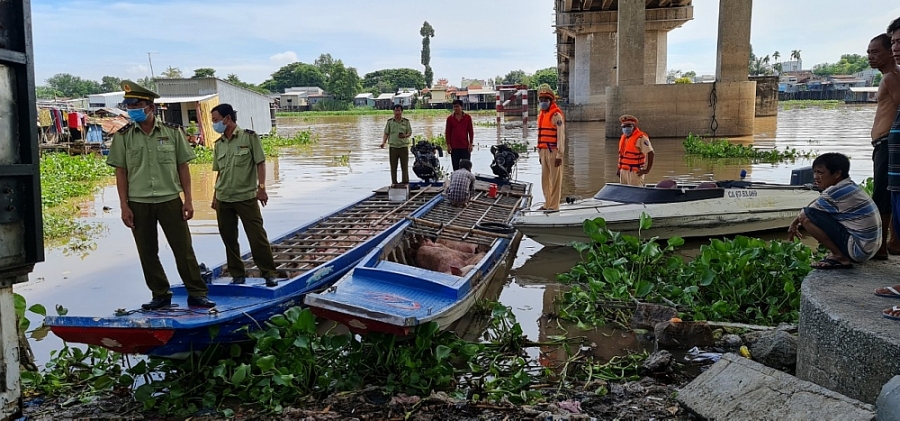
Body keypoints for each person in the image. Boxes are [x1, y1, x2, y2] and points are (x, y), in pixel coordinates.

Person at [106, 80, 215, 310]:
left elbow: (183, 167)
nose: (132, 109)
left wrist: (189, 199)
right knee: (147, 252)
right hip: (138, 202)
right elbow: (121, 172)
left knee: (183, 249)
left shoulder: (172, 133)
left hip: (169, 200)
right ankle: (160, 295)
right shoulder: (123, 136)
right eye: (129, 106)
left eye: (137, 105)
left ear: (150, 107)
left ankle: (196, 293)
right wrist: (124, 206)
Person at [210, 104, 278, 288]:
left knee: (257, 237)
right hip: (224, 198)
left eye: (216, 120)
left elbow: (260, 163)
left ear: (227, 119)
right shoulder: (219, 144)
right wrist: (215, 196)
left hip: (246, 197)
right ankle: (237, 274)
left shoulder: (249, 137)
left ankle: (269, 273)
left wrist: (261, 188)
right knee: (229, 239)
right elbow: (220, 172)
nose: (214, 124)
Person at [788, 153, 881, 269]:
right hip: (868, 249)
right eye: (815, 172)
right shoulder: (847, 186)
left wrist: (796, 222)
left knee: (807, 218)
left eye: (821, 173)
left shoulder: (835, 192)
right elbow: (816, 203)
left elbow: (806, 214)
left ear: (837, 173)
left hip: (858, 250)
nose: (816, 177)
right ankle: (839, 254)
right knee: (810, 214)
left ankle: (839, 257)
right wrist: (795, 222)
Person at [875, 16, 900, 319]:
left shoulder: (892, 78)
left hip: (889, 152)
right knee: (892, 204)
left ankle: (884, 245)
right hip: (892, 156)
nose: (896, 48)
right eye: (893, 42)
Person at [867, 33, 900, 259]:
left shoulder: (891, 77)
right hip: (884, 144)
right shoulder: (891, 76)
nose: (870, 57)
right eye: (869, 52)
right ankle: (894, 241)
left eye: (875, 52)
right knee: (891, 192)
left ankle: (880, 248)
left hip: (888, 144)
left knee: (882, 194)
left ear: (890, 52)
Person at [536, 84, 565, 210]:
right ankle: (547, 203)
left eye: (545, 101)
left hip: (553, 151)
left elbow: (561, 136)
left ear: (550, 101)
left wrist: (560, 154)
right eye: (541, 101)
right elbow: (539, 135)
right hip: (543, 151)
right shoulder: (541, 115)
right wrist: (539, 154)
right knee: (545, 180)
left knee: (555, 180)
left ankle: (554, 206)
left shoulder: (556, 116)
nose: (543, 103)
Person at [617, 115, 654, 186]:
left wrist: (647, 170)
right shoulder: (623, 138)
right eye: (624, 126)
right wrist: (619, 169)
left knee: (636, 193)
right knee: (624, 194)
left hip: (635, 172)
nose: (625, 128)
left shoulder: (641, 137)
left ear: (634, 126)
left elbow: (651, 153)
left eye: (628, 126)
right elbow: (621, 155)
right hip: (623, 171)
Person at [380, 104, 412, 185]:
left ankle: (405, 182)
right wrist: (383, 142)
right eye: (396, 110)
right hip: (393, 147)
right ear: (393, 111)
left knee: (404, 166)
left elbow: (409, 132)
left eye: (399, 110)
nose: (397, 112)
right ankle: (394, 183)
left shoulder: (406, 122)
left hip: (403, 147)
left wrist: (404, 136)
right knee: (393, 167)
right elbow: (386, 133)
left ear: (402, 111)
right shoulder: (390, 122)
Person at [445, 99, 474, 171]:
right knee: (455, 168)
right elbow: (447, 132)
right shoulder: (450, 119)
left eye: (457, 106)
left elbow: (471, 131)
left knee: (466, 168)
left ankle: (467, 181)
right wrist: (448, 145)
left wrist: (471, 143)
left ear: (462, 107)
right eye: (454, 107)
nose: (456, 108)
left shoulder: (467, 117)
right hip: (454, 147)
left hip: (465, 146)